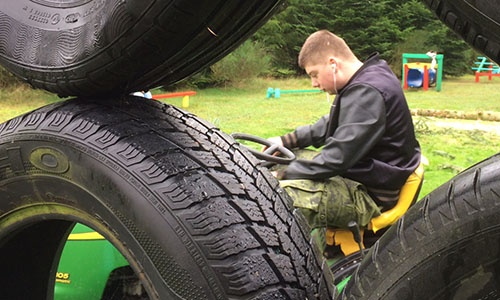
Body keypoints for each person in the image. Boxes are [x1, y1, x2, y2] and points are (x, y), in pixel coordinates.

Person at [268, 30, 421, 230]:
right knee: (278, 160)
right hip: (364, 177)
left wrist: (284, 175)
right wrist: (286, 141)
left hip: (370, 195)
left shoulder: (368, 91)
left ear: (333, 64)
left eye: (314, 74)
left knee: (270, 196)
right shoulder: (369, 76)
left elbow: (335, 159)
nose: (314, 84)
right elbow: (331, 123)